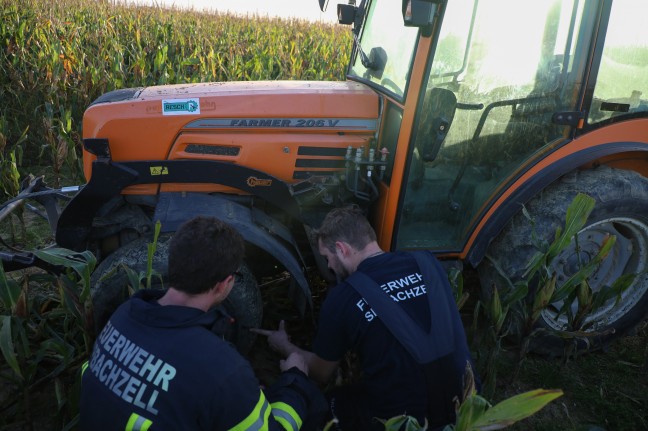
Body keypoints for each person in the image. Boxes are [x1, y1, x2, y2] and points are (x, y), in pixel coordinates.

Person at [80, 216, 326, 430]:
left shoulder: (123, 316)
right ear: (224, 284)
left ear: (173, 263)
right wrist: (295, 379)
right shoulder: (224, 369)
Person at [253, 206, 479, 430]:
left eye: (327, 257)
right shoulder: (428, 262)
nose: (329, 266)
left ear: (341, 249)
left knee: (323, 405)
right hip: (468, 401)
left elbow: (322, 372)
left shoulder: (343, 297)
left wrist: (285, 346)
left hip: (404, 421)